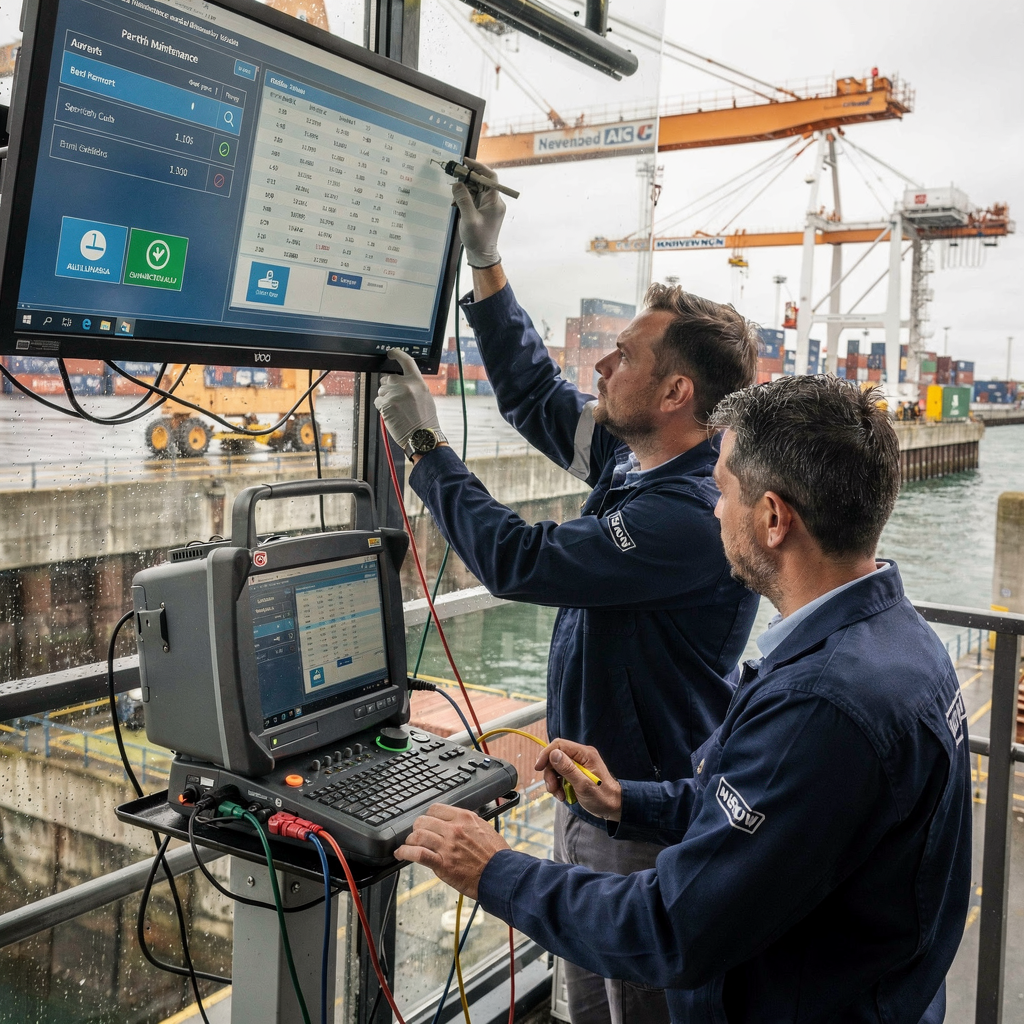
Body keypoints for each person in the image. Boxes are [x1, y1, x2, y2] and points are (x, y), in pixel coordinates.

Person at [395, 375, 972, 1023]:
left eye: (721, 490)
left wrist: (495, 871)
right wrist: (626, 801)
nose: (714, 510)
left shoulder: (825, 702)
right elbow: (768, 810)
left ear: (774, 518)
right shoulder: (896, 639)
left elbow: (673, 928)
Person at [375, 159, 760, 1022]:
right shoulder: (636, 456)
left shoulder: (689, 513)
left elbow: (518, 561)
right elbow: (532, 395)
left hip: (646, 821)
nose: (601, 363)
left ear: (675, 391)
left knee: (638, 1007)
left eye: (623, 354)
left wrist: (428, 453)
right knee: (583, 1009)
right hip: (593, 791)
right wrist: (487, 266)